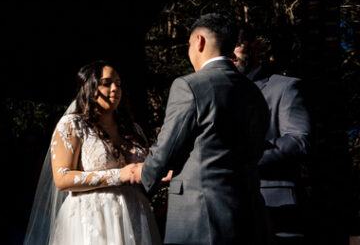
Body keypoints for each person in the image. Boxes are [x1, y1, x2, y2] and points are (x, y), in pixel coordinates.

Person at [134, 12, 271, 244]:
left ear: (199, 41)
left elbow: (167, 146)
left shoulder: (189, 85)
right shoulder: (253, 91)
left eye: (188, 44)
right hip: (249, 210)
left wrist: (144, 176)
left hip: (201, 213)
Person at [24, 60, 161, 244]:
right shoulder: (73, 125)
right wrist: (119, 175)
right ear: (89, 87)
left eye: (118, 84)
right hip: (92, 218)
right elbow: (62, 178)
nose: (115, 89)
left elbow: (142, 175)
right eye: (106, 83)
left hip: (134, 214)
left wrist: (158, 175)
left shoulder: (133, 129)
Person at [235, 27, 311, 241]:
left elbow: (298, 140)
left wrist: (244, 157)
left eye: (237, 43)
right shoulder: (213, 93)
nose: (230, 52)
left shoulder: (285, 87)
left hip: (276, 206)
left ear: (254, 45)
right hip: (225, 212)